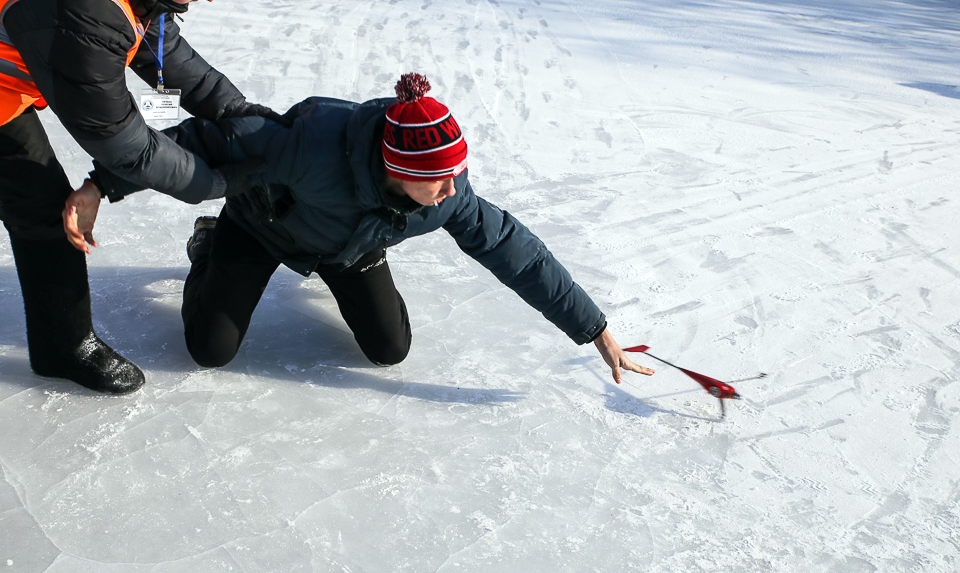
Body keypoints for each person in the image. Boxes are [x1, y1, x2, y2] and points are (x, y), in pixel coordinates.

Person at [66, 73, 656, 384]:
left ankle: (351, 272)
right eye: (438, 180)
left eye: (455, 174)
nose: (452, 190)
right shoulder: (312, 145)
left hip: (351, 248)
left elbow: (515, 252)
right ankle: (209, 246)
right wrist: (103, 184)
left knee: (389, 350)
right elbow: (204, 139)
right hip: (261, 227)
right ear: (399, 171)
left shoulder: (446, 196)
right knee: (210, 350)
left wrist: (595, 329)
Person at [0, 0, 277, 394]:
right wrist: (212, 182)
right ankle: (63, 348)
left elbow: (156, 45)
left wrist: (234, 110)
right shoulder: (79, 13)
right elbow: (124, 144)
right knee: (41, 206)